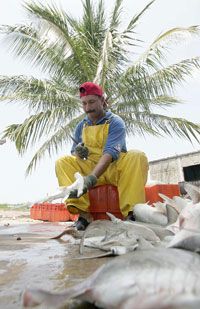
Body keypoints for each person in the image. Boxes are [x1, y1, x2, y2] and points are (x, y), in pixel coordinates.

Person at [55, 82, 148, 230]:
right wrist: (77, 152)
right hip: (90, 167)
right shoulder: (81, 126)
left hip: (113, 169)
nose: (88, 108)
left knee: (136, 156)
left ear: (102, 101)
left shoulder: (116, 122)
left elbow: (110, 153)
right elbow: (73, 152)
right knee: (63, 162)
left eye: (91, 102)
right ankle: (84, 216)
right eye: (84, 103)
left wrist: (91, 178)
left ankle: (132, 214)